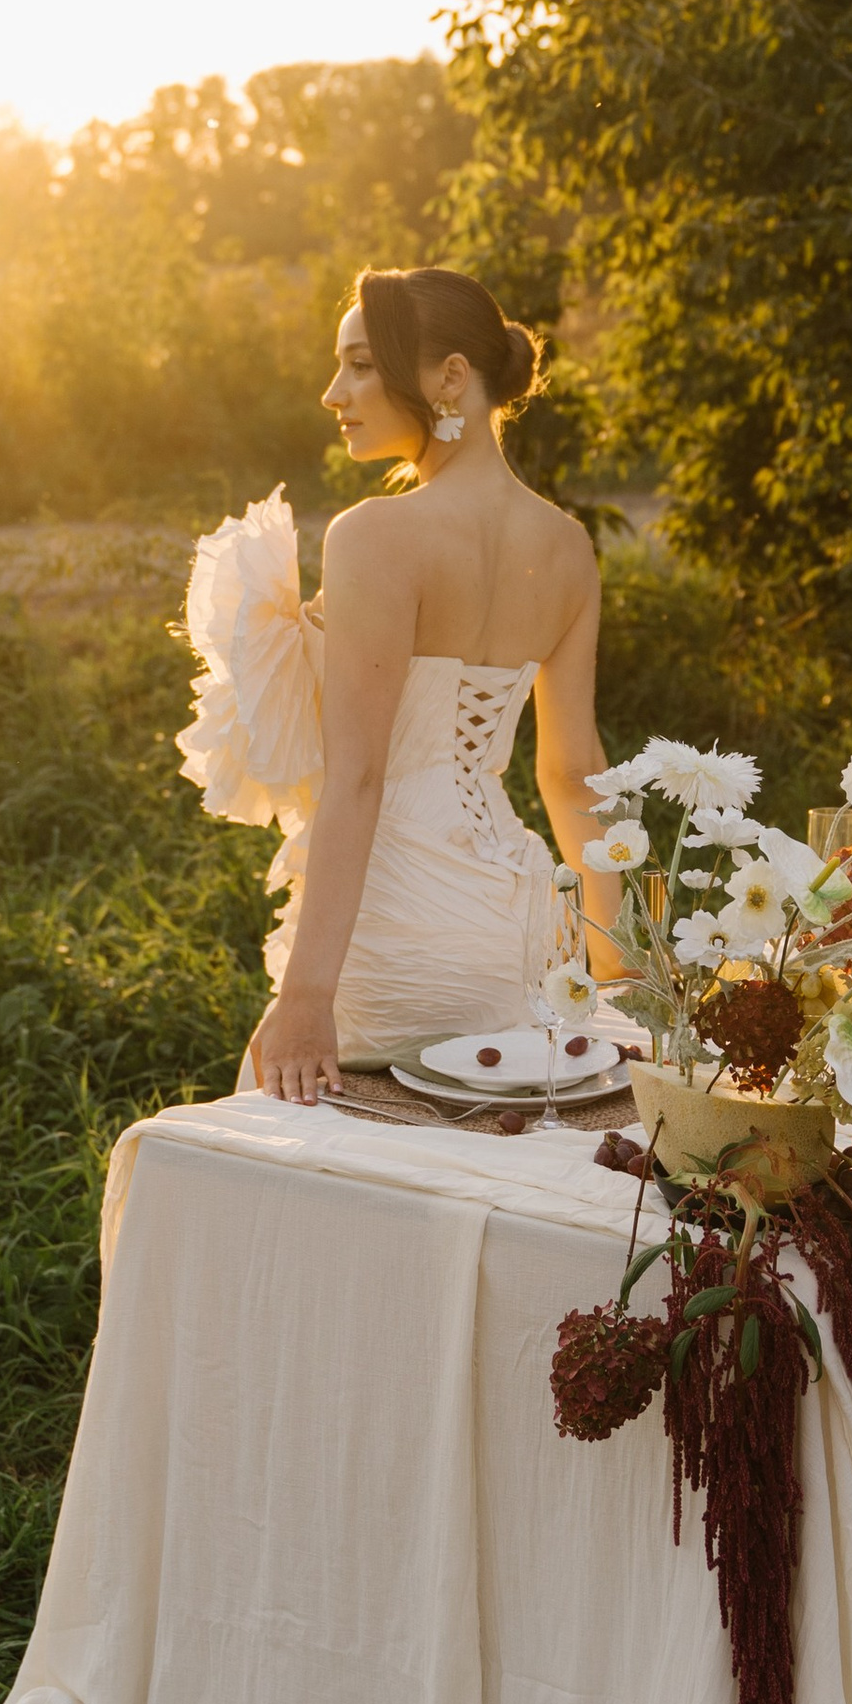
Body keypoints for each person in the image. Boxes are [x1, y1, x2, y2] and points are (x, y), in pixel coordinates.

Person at [176, 266, 615, 1103]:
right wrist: (624, 965)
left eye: (362, 365)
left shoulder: (375, 535)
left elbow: (361, 777)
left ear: (452, 375)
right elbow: (570, 775)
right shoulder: (568, 546)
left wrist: (306, 997)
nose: (332, 391)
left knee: (319, 1175)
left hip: (397, 921)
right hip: (517, 922)